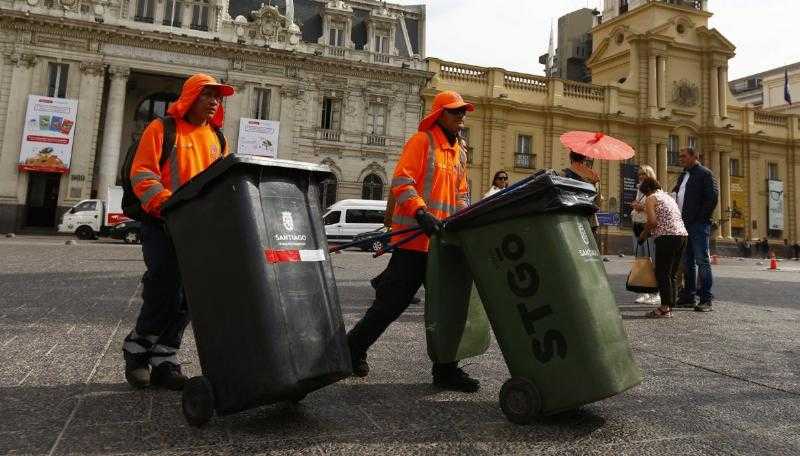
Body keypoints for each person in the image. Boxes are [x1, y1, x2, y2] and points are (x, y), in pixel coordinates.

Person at [347, 90, 479, 392]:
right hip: (414, 243)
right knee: (390, 304)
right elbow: (402, 181)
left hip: (443, 245)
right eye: (455, 111)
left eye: (463, 112)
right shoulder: (422, 142)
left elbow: (460, 193)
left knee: (446, 308)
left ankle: (446, 370)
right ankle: (352, 348)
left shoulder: (460, 152)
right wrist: (421, 213)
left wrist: (462, 219)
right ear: (438, 115)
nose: (461, 117)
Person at [122, 74, 234, 390]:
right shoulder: (162, 129)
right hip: (162, 224)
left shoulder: (217, 138)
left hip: (199, 228)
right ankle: (137, 351)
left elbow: (222, 184)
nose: (214, 102)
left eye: (218, 97)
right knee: (163, 287)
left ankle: (165, 360)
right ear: (190, 97)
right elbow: (142, 174)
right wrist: (166, 205)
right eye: (208, 95)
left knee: (188, 297)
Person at [672, 147, 719, 312]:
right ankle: (688, 296)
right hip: (683, 224)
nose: (681, 159)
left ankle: (706, 299)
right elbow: (677, 195)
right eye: (680, 156)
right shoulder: (683, 175)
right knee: (687, 262)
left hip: (698, 225)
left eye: (684, 156)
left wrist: (700, 218)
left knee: (702, 260)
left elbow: (712, 197)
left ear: (694, 156)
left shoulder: (705, 174)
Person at [638, 177, 688, 318]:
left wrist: (643, 235)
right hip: (682, 236)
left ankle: (664, 308)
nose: (645, 197)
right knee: (671, 273)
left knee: (662, 273)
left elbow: (652, 222)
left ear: (647, 190)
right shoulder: (666, 197)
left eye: (644, 194)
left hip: (666, 237)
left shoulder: (651, 198)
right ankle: (669, 306)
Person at [369, 192, 421, 305]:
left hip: (410, 225)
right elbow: (395, 197)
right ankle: (384, 289)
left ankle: (379, 283)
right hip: (408, 225)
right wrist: (389, 220)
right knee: (405, 263)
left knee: (402, 263)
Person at [630, 165, 659, 305]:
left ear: (650, 174)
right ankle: (644, 292)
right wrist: (636, 206)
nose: (640, 176)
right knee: (640, 261)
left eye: (643, 173)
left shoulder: (655, 190)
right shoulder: (639, 190)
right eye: (639, 173)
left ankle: (655, 293)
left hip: (647, 229)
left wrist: (641, 207)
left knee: (650, 260)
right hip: (637, 226)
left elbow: (657, 210)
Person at [563, 151, 604, 247]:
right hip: (589, 221)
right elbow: (598, 202)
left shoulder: (563, 175)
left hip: (570, 220)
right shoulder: (594, 176)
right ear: (584, 158)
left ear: (571, 158)